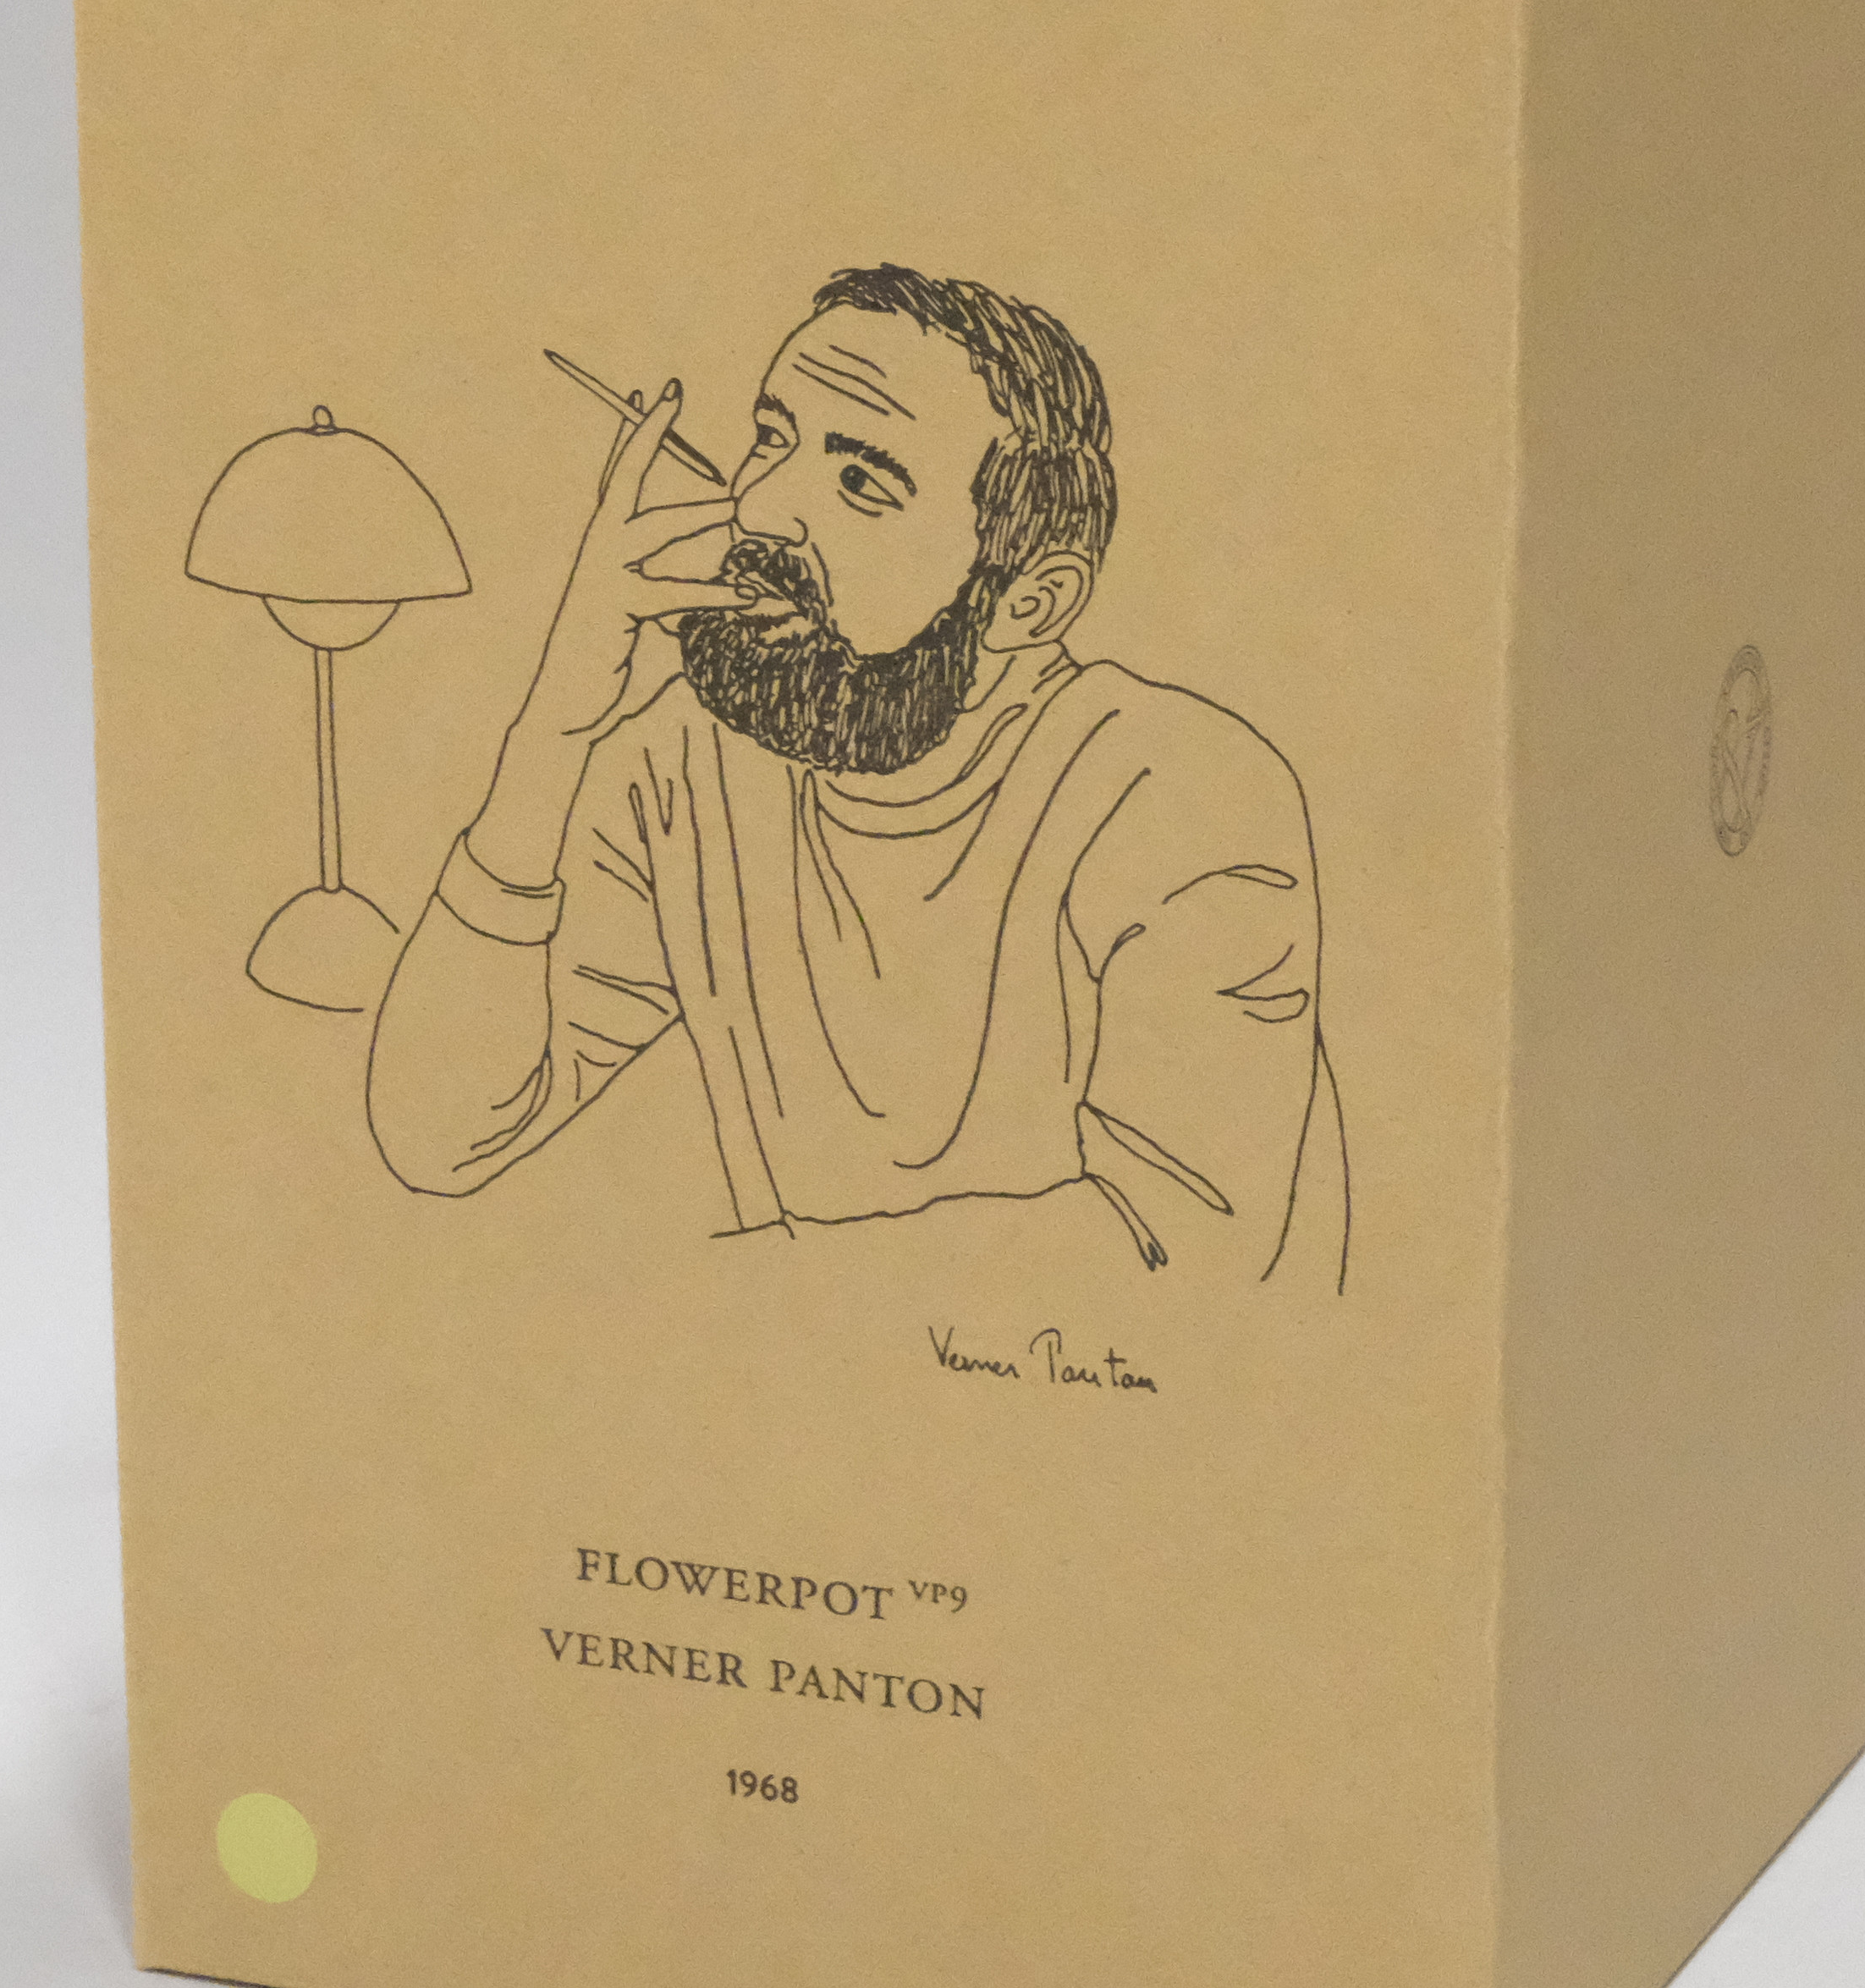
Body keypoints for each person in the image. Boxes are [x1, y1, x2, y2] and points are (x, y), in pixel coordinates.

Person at [366, 265, 1344, 1281]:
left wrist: (707, 1300)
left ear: (1030, 602)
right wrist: (553, 729)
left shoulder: (1176, 795)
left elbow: (1176, 1255)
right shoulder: (684, 763)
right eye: (771, 437)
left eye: (861, 481)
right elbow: (443, 1135)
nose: (759, 507)